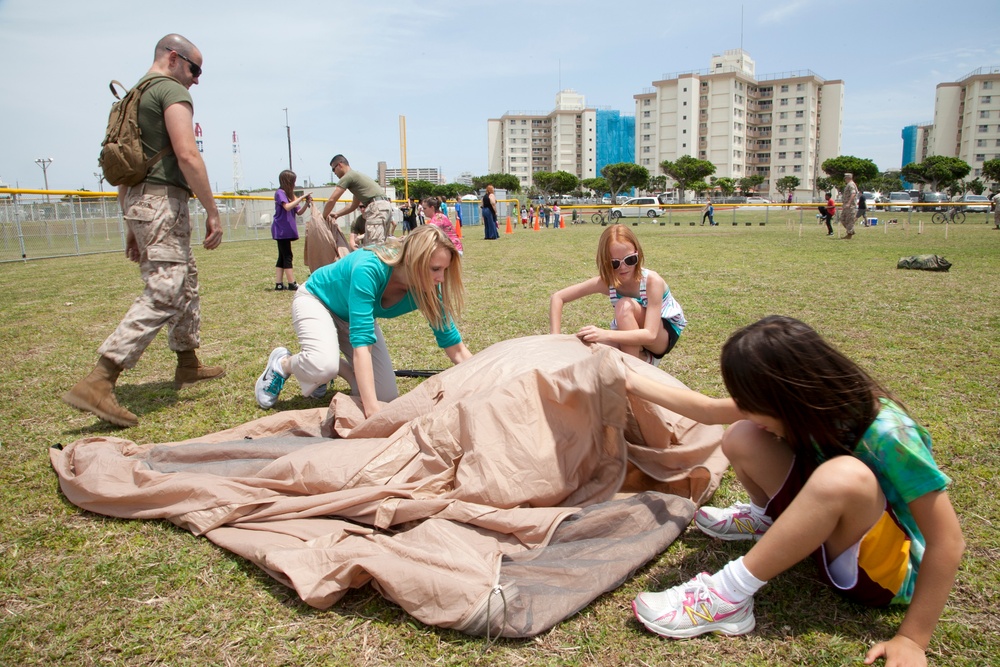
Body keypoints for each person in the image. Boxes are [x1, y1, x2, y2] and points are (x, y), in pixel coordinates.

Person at [627, 316, 964, 666]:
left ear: (789, 393)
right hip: (833, 534)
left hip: (881, 575)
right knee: (743, 434)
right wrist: (626, 378)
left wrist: (912, 638)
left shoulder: (890, 434)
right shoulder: (805, 402)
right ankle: (768, 523)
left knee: (845, 476)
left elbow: (948, 541)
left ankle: (729, 596)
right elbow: (710, 410)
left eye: (754, 403)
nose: (751, 412)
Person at [62, 34, 224, 428]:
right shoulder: (170, 91)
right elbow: (187, 154)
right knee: (166, 290)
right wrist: (212, 210)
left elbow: (124, 166)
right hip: (163, 202)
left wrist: (130, 222)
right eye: (195, 69)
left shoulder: (132, 97)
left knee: (185, 282)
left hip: (140, 200)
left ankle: (187, 363)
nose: (197, 80)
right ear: (174, 58)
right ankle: (101, 380)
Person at [254, 225, 472, 418]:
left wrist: (484, 382)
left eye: (444, 270)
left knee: (385, 396)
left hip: (354, 317)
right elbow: (362, 345)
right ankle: (284, 364)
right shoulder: (369, 268)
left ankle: (327, 368)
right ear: (413, 260)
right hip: (318, 300)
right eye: (435, 269)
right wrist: (372, 413)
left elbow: (456, 348)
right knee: (324, 366)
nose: (441, 278)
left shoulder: (430, 289)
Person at [549, 224, 686, 365]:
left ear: (637, 253)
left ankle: (632, 372)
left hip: (662, 334)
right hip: (633, 331)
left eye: (630, 260)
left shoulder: (652, 281)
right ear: (605, 262)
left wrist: (605, 333)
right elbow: (558, 297)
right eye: (615, 263)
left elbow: (650, 334)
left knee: (624, 306)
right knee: (587, 343)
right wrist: (556, 340)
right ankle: (643, 359)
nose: (624, 267)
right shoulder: (607, 282)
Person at [323, 155, 392, 247]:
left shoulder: (348, 176)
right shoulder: (356, 179)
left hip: (376, 207)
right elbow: (353, 205)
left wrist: (323, 217)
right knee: (381, 245)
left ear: (339, 165)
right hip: (384, 207)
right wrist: (337, 214)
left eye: (333, 169)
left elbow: (332, 199)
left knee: (374, 247)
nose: (334, 173)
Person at [271, 170, 310, 291]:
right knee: (287, 256)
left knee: (282, 256)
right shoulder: (280, 193)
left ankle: (278, 283)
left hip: (287, 230)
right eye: (292, 181)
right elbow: (287, 207)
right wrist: (302, 198)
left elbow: (299, 212)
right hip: (281, 230)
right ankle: (291, 283)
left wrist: (306, 203)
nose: (294, 184)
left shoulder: (290, 195)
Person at [840, 172, 860, 239]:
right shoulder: (849, 184)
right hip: (846, 206)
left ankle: (849, 234)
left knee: (849, 220)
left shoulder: (851, 185)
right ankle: (850, 231)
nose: (845, 179)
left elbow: (853, 193)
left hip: (850, 206)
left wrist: (849, 203)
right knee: (842, 219)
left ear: (848, 178)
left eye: (845, 178)